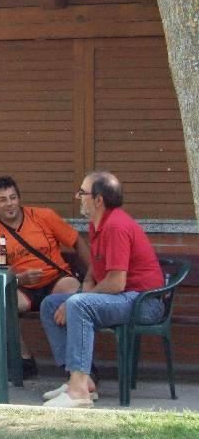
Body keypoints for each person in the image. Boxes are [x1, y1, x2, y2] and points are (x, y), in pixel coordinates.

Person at [40, 172, 165, 408]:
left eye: (82, 193)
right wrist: (84, 287)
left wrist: (79, 298)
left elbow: (116, 282)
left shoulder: (116, 226)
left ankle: (79, 393)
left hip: (144, 302)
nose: (78, 197)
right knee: (51, 305)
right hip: (123, 297)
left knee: (78, 305)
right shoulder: (97, 224)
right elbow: (95, 271)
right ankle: (81, 381)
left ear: (98, 200)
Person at [0, 176, 90, 379]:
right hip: (21, 284)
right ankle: (24, 359)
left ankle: (78, 365)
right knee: (1, 303)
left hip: (55, 278)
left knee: (75, 296)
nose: (9, 203)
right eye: (2, 200)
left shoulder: (43, 216)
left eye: (13, 197)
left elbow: (76, 241)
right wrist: (20, 279)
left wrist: (93, 274)